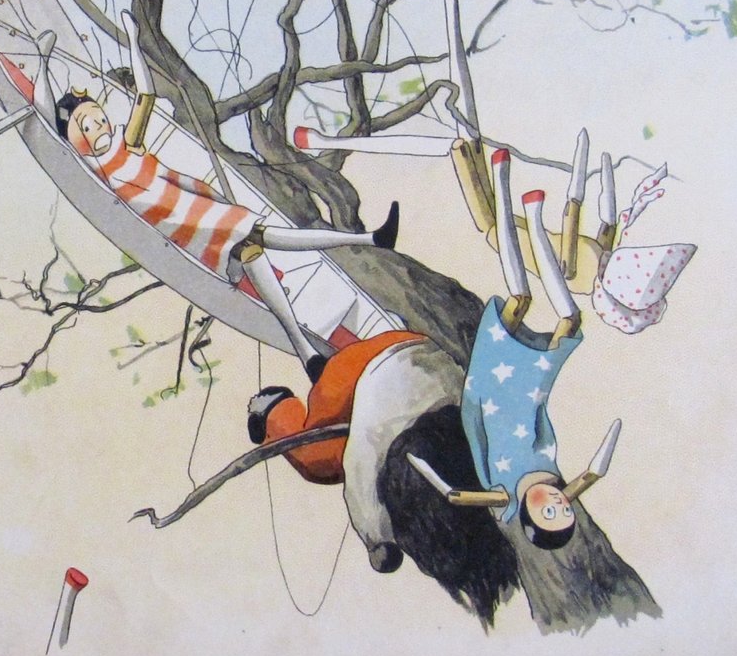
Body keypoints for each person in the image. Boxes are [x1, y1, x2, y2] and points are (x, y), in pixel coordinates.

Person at [248, 146, 619, 565]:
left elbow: (452, 491)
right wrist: (376, 542)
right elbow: (363, 484)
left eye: (550, 514)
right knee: (320, 458)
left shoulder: (491, 480)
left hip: (419, 355)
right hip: (376, 367)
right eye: (562, 510)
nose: (556, 503)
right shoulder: (386, 457)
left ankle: (302, 375)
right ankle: (273, 409)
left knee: (336, 439)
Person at [54, 32, 399, 384]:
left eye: (98, 118)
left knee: (262, 239)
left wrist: (133, 40)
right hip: (190, 235)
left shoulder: (129, 145)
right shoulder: (99, 174)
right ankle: (364, 249)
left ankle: (312, 345)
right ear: (76, 139)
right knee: (260, 240)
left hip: (205, 214)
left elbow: (146, 94)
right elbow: (61, 142)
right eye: (87, 126)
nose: (99, 127)